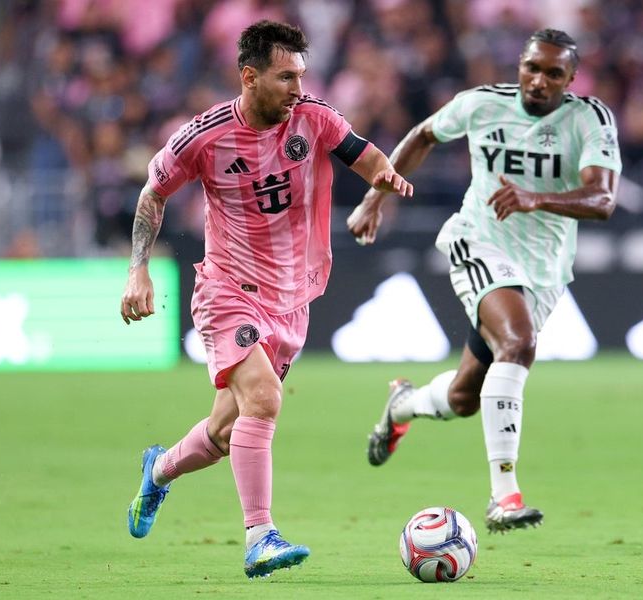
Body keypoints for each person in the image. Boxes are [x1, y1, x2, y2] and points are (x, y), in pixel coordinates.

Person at [120, 20, 412, 578]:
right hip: (227, 289)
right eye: (285, 78)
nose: (298, 88)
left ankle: (158, 471)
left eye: (301, 75)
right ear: (249, 77)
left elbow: (366, 155)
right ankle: (260, 536)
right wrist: (139, 270)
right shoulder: (201, 137)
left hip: (292, 298)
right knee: (265, 401)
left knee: (227, 433)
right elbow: (152, 195)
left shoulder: (314, 118)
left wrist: (380, 189)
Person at [348, 28, 620, 533]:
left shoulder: (589, 119)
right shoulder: (480, 105)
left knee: (463, 399)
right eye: (531, 68)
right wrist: (374, 197)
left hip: (544, 267)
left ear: (571, 80)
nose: (538, 81)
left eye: (553, 73)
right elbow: (424, 135)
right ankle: (504, 497)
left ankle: (402, 404)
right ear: (520, 64)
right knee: (518, 344)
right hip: (481, 242)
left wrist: (537, 198)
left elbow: (602, 200)